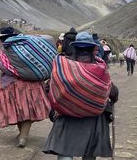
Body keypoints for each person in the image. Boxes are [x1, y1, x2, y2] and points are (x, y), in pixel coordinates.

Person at [43, 31, 119, 160]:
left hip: (67, 117)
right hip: (93, 118)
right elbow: (113, 92)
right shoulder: (99, 69)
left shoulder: (63, 66)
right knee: (90, 153)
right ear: (93, 49)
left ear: (74, 48)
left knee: (65, 150)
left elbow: (49, 87)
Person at [0, 27, 51, 148]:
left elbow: (2, 66)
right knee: (28, 111)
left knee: (18, 110)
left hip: (12, 85)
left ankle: (22, 135)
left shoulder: (6, 49)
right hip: (33, 84)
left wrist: (16, 72)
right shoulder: (27, 47)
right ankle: (23, 136)